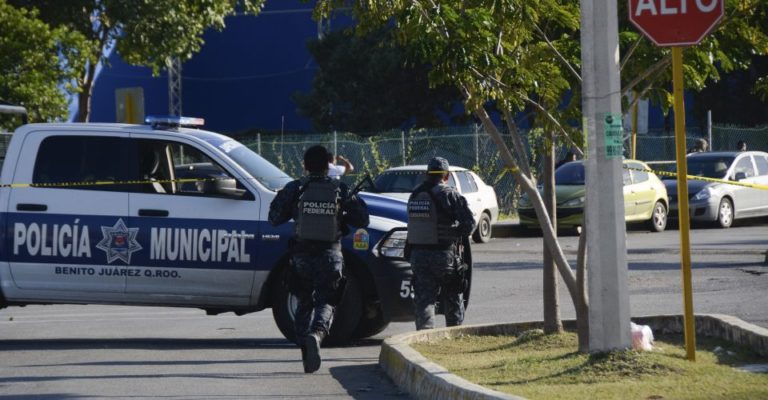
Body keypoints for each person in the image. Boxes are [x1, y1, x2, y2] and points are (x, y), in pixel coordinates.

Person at [268, 145, 369, 373]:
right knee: (327, 300)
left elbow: (274, 218)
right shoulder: (339, 188)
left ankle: (305, 347)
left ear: (305, 165)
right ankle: (317, 333)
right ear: (327, 166)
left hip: (301, 256)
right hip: (330, 254)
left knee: (304, 301)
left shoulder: (296, 188)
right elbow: (363, 219)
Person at [406, 157, 476, 330]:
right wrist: (455, 234)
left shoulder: (414, 195)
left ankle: (424, 338)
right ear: (446, 176)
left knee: (424, 300)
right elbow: (469, 224)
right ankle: (454, 336)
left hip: (418, 256)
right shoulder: (449, 194)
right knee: (453, 296)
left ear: (427, 174)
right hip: (443, 256)